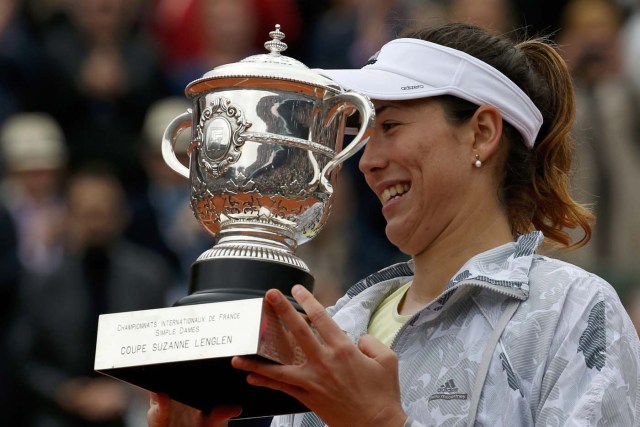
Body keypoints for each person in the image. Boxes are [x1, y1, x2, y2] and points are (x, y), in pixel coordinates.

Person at [147, 22, 640, 426]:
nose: (367, 161)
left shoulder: (572, 311)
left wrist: (381, 424)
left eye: (390, 126)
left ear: (482, 134)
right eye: (364, 134)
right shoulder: (336, 326)